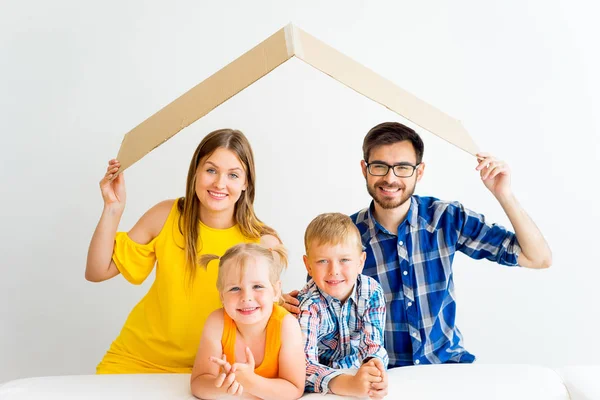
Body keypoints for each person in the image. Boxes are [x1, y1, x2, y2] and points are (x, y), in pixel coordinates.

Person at [284, 121, 552, 368]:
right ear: (365, 169)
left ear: (419, 172)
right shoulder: (343, 239)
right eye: (380, 166)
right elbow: (320, 318)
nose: (390, 178)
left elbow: (539, 258)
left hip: (447, 367)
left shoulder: (447, 218)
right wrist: (284, 312)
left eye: (402, 167)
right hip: (382, 375)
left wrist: (502, 193)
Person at [86, 128, 280, 374]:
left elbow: (270, 315)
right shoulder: (166, 215)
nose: (220, 183)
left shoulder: (263, 242)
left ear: (246, 183)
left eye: (233, 175)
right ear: (195, 173)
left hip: (211, 371)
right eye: (211, 170)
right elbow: (97, 270)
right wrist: (113, 209)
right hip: (136, 360)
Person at [190, 243, 305, 400]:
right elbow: (198, 383)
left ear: (276, 291)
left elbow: (294, 389)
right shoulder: (216, 323)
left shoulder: (286, 325)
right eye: (235, 289)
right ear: (222, 296)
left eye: (258, 286)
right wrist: (224, 386)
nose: (246, 297)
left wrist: (250, 382)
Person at [297, 213, 389, 399]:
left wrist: (374, 369)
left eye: (344, 260)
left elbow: (373, 345)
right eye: (322, 261)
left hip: (356, 372)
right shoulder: (307, 304)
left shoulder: (371, 292)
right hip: (321, 386)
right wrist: (346, 384)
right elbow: (303, 366)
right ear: (308, 266)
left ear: (360, 262)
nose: (334, 271)